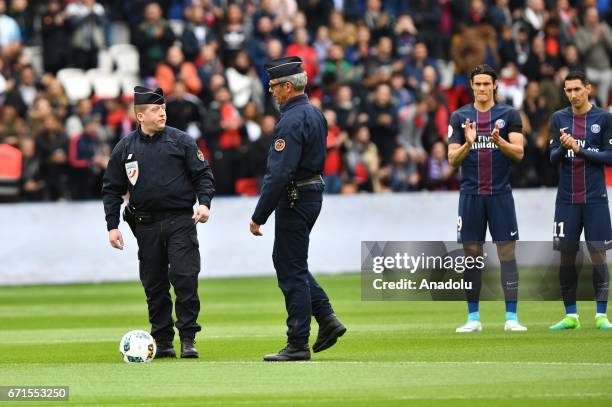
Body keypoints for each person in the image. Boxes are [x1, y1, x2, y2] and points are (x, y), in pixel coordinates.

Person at [102, 86, 215, 358]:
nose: (162, 112)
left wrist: (204, 203)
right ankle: (162, 341)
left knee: (185, 278)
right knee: (154, 285)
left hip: (180, 221)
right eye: (155, 109)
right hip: (146, 225)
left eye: (163, 108)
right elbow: (111, 188)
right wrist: (112, 225)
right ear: (140, 116)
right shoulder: (125, 148)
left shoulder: (182, 141)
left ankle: (188, 338)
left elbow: (203, 175)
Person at [249, 56, 346, 362]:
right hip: (312, 192)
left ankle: (298, 342)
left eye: (274, 86)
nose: (271, 91)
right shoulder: (315, 113)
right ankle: (327, 318)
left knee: (290, 268)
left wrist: (258, 215)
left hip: (295, 197)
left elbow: (279, 173)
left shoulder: (290, 121)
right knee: (292, 262)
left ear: (287, 87)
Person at [447, 64, 527, 333]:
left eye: (486, 84)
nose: (482, 88)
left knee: (507, 254)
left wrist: (498, 141)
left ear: (495, 85)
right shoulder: (459, 117)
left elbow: (518, 153)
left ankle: (512, 317)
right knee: (471, 256)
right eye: (477, 83)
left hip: (500, 194)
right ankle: (473, 318)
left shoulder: (509, 114)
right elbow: (450, 158)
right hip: (470, 195)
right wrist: (469, 143)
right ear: (471, 85)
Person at [548, 71, 612, 330]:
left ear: (588, 89)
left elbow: (609, 157)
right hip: (566, 199)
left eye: (577, 89)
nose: (573, 95)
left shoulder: (604, 118)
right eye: (568, 90)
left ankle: (601, 315)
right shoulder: (558, 118)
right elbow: (552, 158)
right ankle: (571, 315)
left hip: (595, 198)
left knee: (598, 255)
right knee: (566, 257)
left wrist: (579, 149)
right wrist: (563, 147)